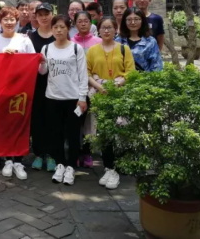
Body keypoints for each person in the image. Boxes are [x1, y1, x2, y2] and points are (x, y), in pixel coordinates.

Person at [87, 16, 135, 190]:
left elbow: (131, 72)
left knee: (120, 130)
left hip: (119, 93)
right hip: (100, 94)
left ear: (116, 30)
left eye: (110, 27)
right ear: (98, 30)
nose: (106, 30)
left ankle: (118, 168)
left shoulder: (124, 49)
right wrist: (100, 87)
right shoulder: (92, 50)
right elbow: (86, 73)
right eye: (103, 27)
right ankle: (108, 168)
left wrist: (118, 84)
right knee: (104, 131)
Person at [39, 15, 88, 186]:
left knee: (73, 134)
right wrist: (41, 63)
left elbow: (83, 75)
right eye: (55, 27)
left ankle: (71, 166)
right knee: (56, 133)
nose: (59, 30)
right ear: (51, 29)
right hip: (52, 97)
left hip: (72, 99)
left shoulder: (76, 48)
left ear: (68, 29)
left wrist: (82, 98)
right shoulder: (46, 48)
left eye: (62, 27)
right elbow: (43, 72)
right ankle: (60, 163)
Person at [0, 7, 35, 180]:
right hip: (1, 89)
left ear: (17, 21)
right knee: (5, 124)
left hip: (21, 89)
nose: (9, 23)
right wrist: (2, 57)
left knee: (20, 124)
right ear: (0, 22)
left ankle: (19, 160)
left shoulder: (24, 40)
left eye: (12, 19)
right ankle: (7, 159)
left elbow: (33, 62)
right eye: (5, 19)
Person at [70, 11, 102, 169]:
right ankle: (75, 152)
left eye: (86, 21)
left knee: (90, 122)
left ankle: (87, 152)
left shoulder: (98, 42)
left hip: (93, 88)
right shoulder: (70, 42)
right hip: (74, 89)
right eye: (79, 21)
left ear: (91, 23)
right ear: (75, 24)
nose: (83, 24)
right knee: (76, 121)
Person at [27, 2, 56, 172]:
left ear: (52, 15)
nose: (44, 18)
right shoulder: (30, 37)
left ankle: (52, 153)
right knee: (37, 119)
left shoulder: (58, 35)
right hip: (36, 85)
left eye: (47, 14)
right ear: (36, 17)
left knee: (53, 119)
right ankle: (38, 153)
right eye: (40, 15)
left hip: (56, 84)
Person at [117, 7, 163, 72]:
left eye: (136, 19)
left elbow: (157, 66)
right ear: (124, 21)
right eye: (129, 19)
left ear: (142, 21)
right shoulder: (118, 40)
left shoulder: (150, 42)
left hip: (144, 77)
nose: (133, 22)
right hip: (121, 77)